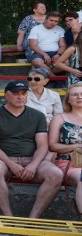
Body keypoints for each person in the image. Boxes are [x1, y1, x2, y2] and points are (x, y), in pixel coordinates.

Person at [0, 81, 63, 218]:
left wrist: (33, 165)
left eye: (24, 93)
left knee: (56, 174)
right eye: (15, 93)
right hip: (3, 160)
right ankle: (8, 215)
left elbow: (43, 145)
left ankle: (34, 217)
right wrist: (11, 164)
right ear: (6, 95)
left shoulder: (38, 116)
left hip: (32, 159)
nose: (20, 97)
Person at [47, 83, 82, 217]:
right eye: (75, 94)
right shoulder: (60, 118)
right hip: (68, 163)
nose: (79, 97)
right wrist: (74, 147)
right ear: (68, 99)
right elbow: (52, 146)